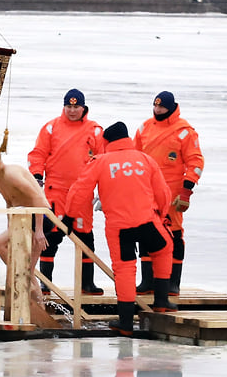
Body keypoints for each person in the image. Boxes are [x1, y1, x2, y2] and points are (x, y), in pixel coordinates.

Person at [67, 122, 176, 336]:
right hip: (148, 221)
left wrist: (70, 216)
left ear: (107, 141)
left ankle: (125, 322)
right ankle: (162, 301)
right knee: (164, 248)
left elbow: (80, 190)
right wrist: (161, 215)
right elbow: (163, 193)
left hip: (120, 227)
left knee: (125, 269)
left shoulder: (100, 161)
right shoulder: (146, 159)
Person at [28, 89, 105, 295]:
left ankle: (87, 284)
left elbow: (104, 161)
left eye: (76, 106)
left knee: (85, 237)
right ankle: (45, 283)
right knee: (49, 238)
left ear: (83, 107)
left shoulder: (95, 130)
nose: (72, 110)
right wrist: (36, 175)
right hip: (55, 192)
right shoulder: (51, 128)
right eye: (68, 106)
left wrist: (105, 190)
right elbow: (37, 154)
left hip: (83, 193)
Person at [133, 91, 204, 297]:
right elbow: (134, 156)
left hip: (172, 191)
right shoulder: (144, 128)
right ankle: (147, 280)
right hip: (147, 189)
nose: (158, 110)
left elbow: (196, 162)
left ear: (171, 108)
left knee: (173, 233)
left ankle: (173, 282)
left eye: (162, 107)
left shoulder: (185, 132)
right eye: (155, 107)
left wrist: (186, 190)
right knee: (145, 232)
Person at [0, 144, 48, 303]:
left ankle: (38, 306)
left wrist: (39, 231)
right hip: (20, 218)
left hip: (39, 217)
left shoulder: (12, 174)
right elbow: (9, 200)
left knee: (0, 245)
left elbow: (38, 198)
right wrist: (10, 226)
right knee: (26, 273)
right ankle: (38, 306)